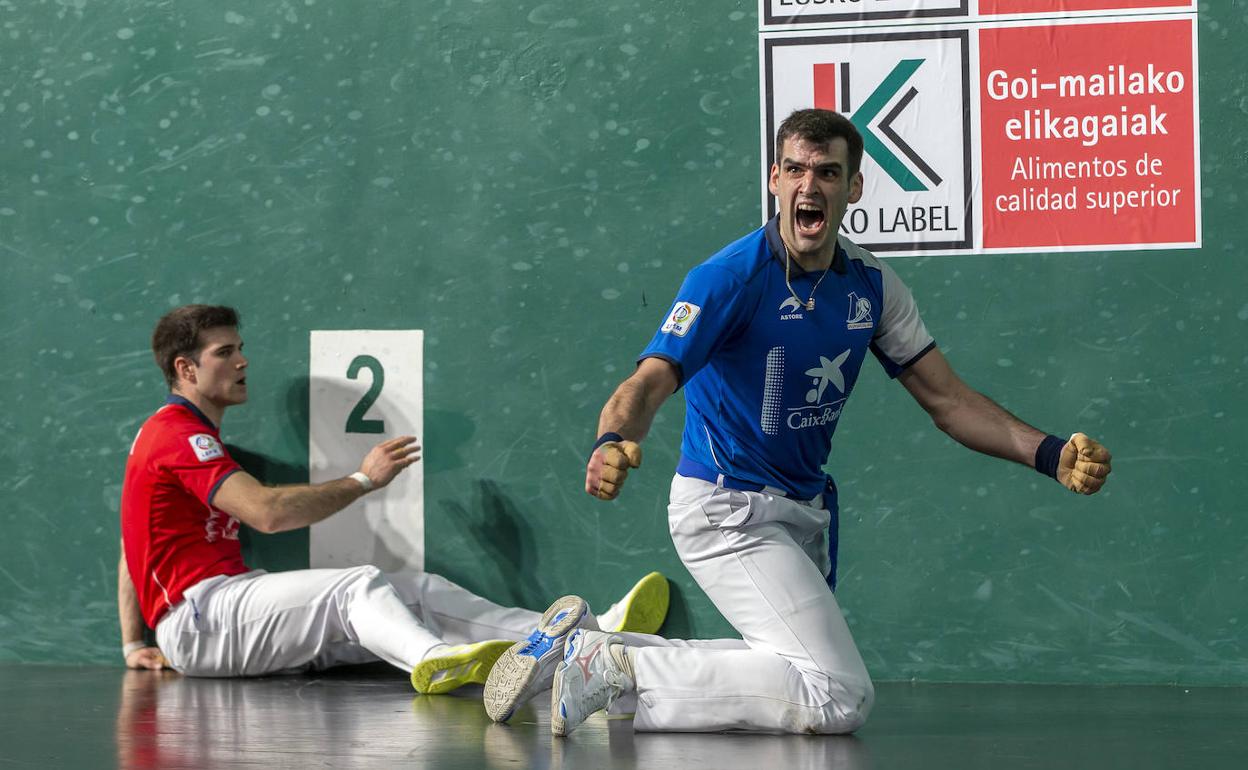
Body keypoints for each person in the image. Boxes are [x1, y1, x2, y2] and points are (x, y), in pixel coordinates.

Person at [498, 109, 1112, 735]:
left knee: (789, 666)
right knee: (838, 696)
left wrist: (1048, 453)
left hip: (797, 512)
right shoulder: (729, 279)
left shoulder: (872, 288)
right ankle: (614, 668)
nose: (808, 186)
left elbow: (947, 400)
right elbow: (648, 381)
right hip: (724, 508)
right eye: (794, 170)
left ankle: (592, 651)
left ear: (855, 187)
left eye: (826, 172)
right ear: (774, 179)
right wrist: (613, 437)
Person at [119, 304, 669, 693]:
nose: (242, 362)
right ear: (185, 369)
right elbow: (265, 512)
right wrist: (363, 480)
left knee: (413, 590)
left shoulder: (186, 438)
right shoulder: (178, 435)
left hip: (217, 611)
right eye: (224, 352)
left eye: (241, 349)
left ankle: (585, 631)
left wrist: (130, 644)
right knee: (356, 585)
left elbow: (131, 544)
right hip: (200, 618)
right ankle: (434, 662)